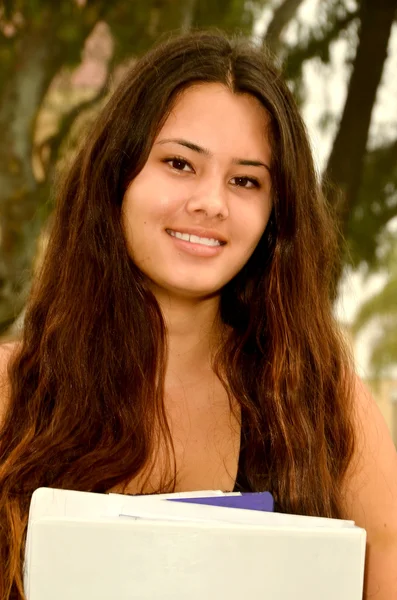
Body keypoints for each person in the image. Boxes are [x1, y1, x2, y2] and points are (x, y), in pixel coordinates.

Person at [0, 30, 396, 600]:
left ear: (274, 216)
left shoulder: (327, 408)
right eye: (180, 163)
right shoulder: (13, 395)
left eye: (245, 180)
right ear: (118, 177)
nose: (212, 202)